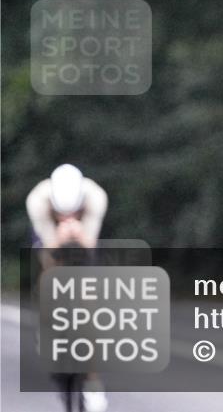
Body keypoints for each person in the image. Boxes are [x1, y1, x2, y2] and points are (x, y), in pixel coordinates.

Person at [26, 164, 109, 412]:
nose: (67, 216)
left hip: (83, 240)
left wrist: (77, 233)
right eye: (62, 213)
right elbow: (49, 251)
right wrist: (60, 236)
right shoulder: (37, 201)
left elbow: (89, 246)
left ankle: (93, 384)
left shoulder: (96, 198)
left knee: (90, 300)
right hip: (50, 241)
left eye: (73, 212)